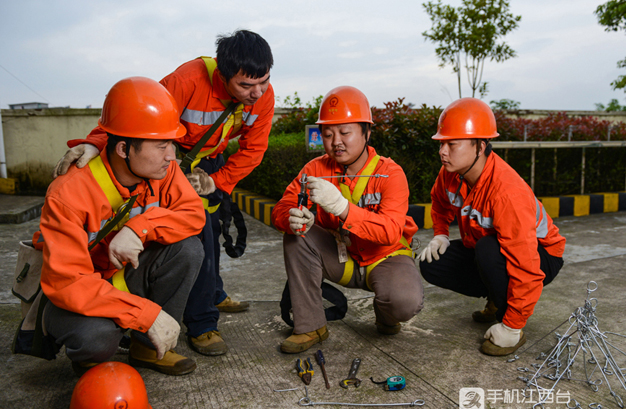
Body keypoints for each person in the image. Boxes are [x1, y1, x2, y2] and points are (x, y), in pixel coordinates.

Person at [53, 30, 275, 357]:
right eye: (245, 86)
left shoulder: (262, 95)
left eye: (264, 81)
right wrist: (95, 143)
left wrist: (219, 182)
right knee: (200, 236)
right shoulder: (186, 80)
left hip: (206, 165)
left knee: (206, 226)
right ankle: (202, 324)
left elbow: (254, 149)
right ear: (224, 75)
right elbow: (136, 117)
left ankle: (209, 298)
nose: (257, 93)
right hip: (167, 159)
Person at [34, 77, 205, 376]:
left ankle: (147, 350)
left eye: (172, 144)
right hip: (75, 292)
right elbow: (68, 283)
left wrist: (139, 227)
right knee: (98, 338)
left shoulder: (164, 170)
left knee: (189, 249)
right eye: (162, 145)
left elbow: (193, 215)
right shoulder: (68, 193)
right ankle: (92, 362)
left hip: (121, 276)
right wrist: (146, 315)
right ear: (124, 149)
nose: (171, 156)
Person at [271, 86, 424, 354]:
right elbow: (283, 206)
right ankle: (310, 325)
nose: (335, 141)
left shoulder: (390, 173)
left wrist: (342, 207)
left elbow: (389, 231)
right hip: (340, 257)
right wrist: (291, 218)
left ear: (366, 132)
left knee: (404, 301)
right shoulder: (316, 169)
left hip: (384, 257)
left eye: (345, 132)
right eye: (328, 134)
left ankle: (386, 313)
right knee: (298, 235)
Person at [417, 98, 566, 356]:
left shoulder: (507, 193)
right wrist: (440, 235)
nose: (442, 151)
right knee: (433, 263)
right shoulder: (450, 174)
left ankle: (510, 321)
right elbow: (440, 204)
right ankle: (497, 300)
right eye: (441, 143)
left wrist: (512, 326)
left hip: (541, 256)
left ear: (480, 146)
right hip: (489, 248)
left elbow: (526, 267)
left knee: (488, 249)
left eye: (452, 144)